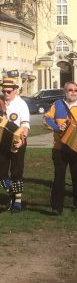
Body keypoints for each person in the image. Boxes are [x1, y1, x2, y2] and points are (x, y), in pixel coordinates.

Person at [43, 81, 77, 214]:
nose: (73, 92)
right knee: (59, 178)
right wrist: (56, 127)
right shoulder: (57, 105)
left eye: (76, 90)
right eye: (70, 90)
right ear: (65, 92)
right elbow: (46, 119)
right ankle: (56, 207)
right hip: (59, 148)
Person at [0, 77, 30, 212]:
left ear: (16, 90)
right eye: (4, 91)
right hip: (1, 142)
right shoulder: (0, 103)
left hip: (17, 141)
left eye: (9, 91)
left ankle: (17, 201)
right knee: (1, 173)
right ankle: (11, 192)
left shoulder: (22, 104)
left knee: (17, 172)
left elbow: (25, 124)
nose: (6, 94)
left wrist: (22, 139)